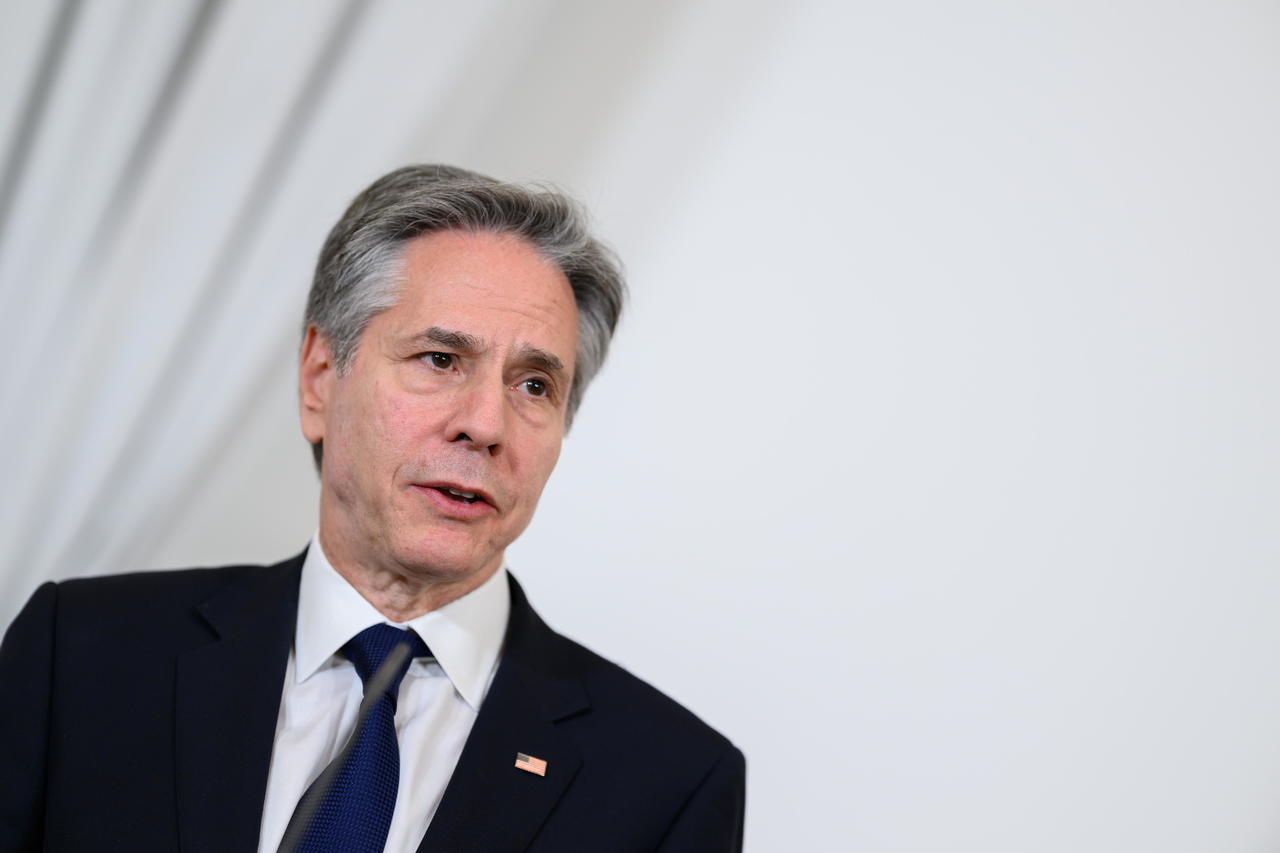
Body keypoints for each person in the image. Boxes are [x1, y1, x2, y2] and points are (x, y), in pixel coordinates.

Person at [0, 165, 745, 852]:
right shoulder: (80, 656)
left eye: (533, 385)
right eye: (440, 360)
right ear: (320, 378)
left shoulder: (669, 783)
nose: (486, 424)